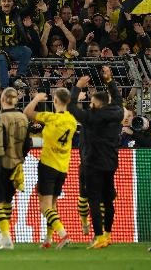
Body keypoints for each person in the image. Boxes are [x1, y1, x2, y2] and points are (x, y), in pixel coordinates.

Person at [69, 67, 123, 249]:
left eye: (92, 101)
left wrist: (77, 87)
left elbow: (70, 107)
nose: (90, 104)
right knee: (108, 200)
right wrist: (109, 81)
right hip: (111, 163)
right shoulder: (117, 113)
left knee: (93, 199)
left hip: (92, 163)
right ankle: (108, 235)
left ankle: (99, 237)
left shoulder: (91, 119)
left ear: (98, 104)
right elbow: (117, 99)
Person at [24, 88, 76, 249]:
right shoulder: (72, 121)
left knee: (44, 206)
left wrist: (36, 99)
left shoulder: (51, 118)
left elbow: (27, 112)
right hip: (63, 167)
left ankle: (63, 234)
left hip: (48, 165)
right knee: (53, 205)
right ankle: (48, 239)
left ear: (55, 101)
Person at [0, 87, 31, 250]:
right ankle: (4, 236)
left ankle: (6, 235)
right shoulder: (23, 118)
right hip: (16, 164)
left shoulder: (0, 119)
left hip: (0, 164)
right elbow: (28, 144)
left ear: (2, 100)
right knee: (8, 200)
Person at [0, 0, 34, 88]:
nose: (6, 3)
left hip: (14, 48)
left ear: (12, 3)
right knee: (1, 59)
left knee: (27, 51)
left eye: (9, 1)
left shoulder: (18, 13)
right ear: (0, 3)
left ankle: (18, 78)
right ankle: (4, 88)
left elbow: (31, 6)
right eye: (4, 1)